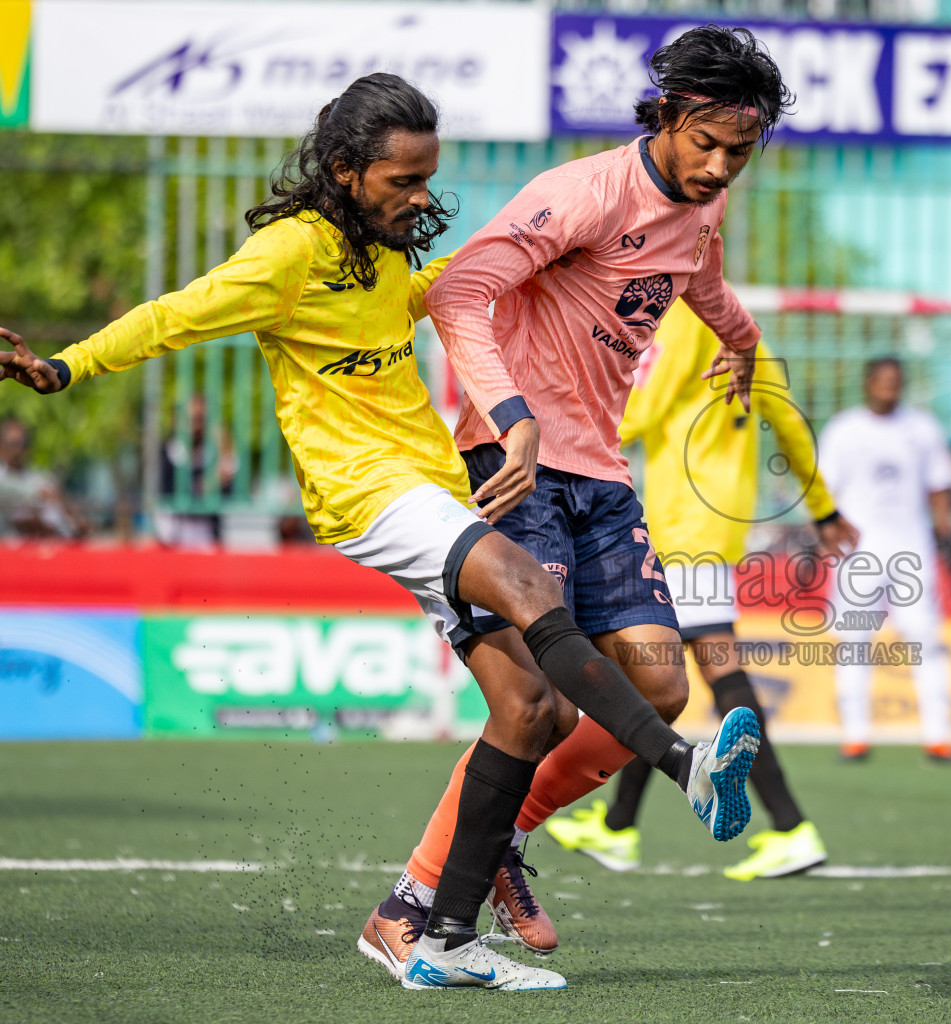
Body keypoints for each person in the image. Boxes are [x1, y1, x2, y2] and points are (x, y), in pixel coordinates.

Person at [1, 73, 755, 993]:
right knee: (531, 590)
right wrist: (65, 367)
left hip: (431, 487)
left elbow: (439, 294)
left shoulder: (385, 251)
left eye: (428, 178)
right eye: (405, 180)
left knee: (531, 709)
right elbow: (175, 316)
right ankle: (683, 763)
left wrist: (539, 264)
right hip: (369, 494)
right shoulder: (289, 253)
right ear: (346, 171)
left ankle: (427, 931)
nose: (422, 197)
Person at [367, 24, 793, 963]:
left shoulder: (703, 207)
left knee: (662, 685)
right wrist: (510, 413)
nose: (719, 168)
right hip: (513, 465)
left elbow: (705, 284)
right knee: (536, 707)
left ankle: (503, 836)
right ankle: (414, 901)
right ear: (667, 114)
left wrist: (743, 343)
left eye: (739, 153)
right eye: (706, 144)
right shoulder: (583, 193)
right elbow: (457, 293)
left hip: (600, 478)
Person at [543, 301, 858, 880]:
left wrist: (553, 430)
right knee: (656, 677)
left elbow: (639, 411)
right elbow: (789, 425)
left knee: (694, 673)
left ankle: (790, 827)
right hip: (717, 523)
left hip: (684, 521)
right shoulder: (745, 335)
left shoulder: (685, 321)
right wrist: (823, 508)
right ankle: (619, 826)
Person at [819, 357, 951, 762]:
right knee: (853, 642)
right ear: (867, 383)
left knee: (924, 637)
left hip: (911, 550)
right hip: (857, 552)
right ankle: (855, 735)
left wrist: (947, 535)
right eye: (881, 380)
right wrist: (820, 540)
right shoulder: (844, 430)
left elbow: (939, 486)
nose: (888, 387)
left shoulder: (922, 428)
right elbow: (823, 492)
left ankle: (938, 735)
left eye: (895, 381)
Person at [155, 393, 237, 548]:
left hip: (208, 542)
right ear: (176, 421)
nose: (197, 427)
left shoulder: (213, 455)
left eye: (202, 420)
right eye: (192, 420)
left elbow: (228, 493)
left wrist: (225, 448)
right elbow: (189, 494)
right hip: (172, 542)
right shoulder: (165, 455)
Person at [0, 416, 82, 538]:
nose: (18, 450)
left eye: (23, 444)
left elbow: (58, 513)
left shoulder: (40, 479)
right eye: (13, 444)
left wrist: (74, 521)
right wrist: (39, 495)